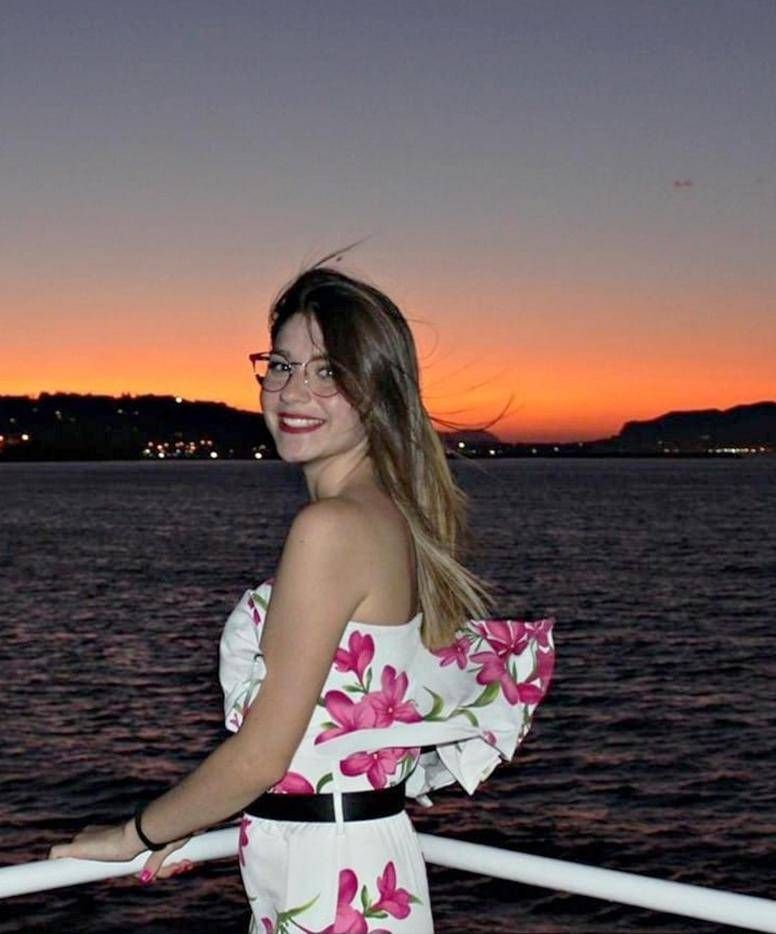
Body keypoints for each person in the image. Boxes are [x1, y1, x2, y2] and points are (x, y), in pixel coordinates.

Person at [50, 256, 556, 932]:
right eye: (282, 366)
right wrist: (191, 817)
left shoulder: (332, 527)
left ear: (378, 393)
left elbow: (262, 757)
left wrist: (133, 834)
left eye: (328, 373)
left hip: (329, 879)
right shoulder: (388, 515)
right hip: (345, 864)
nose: (293, 392)